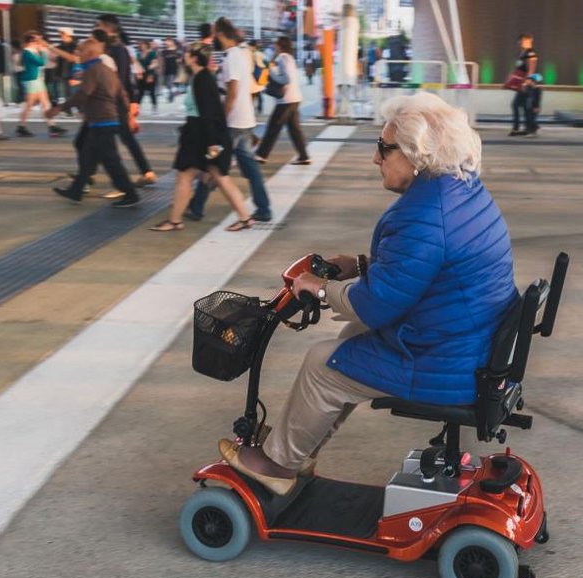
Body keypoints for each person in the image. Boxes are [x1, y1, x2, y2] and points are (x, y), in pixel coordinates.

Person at [217, 92, 518, 496]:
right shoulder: (460, 190)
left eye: (383, 148)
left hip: (445, 362)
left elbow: (376, 306)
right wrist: (360, 266)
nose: (376, 158)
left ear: (416, 153)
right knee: (349, 341)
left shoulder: (424, 217)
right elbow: (422, 274)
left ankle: (278, 465)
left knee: (322, 364)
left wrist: (320, 288)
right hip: (466, 344)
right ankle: (296, 448)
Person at [149, 43, 253, 232]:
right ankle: (244, 219)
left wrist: (213, 143)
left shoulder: (202, 79)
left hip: (201, 136)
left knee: (186, 176)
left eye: (188, 53)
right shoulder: (201, 77)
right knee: (218, 178)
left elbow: (208, 113)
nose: (184, 55)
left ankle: (174, 221)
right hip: (204, 134)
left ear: (194, 58)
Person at [185, 17, 273, 223]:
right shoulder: (240, 54)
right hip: (244, 120)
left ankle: (197, 207)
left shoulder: (233, 56)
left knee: (214, 164)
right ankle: (263, 208)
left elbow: (232, 91)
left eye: (215, 35)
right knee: (247, 167)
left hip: (233, 122)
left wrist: (221, 121)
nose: (213, 38)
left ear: (222, 35)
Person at [49, 39, 140, 208]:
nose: (78, 54)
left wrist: (59, 108)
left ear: (89, 53)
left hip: (102, 121)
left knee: (111, 161)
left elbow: (83, 94)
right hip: (105, 120)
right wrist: (127, 114)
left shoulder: (93, 71)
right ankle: (76, 192)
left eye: (81, 51)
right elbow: (122, 94)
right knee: (88, 157)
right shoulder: (107, 70)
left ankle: (131, 194)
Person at [95, 14, 157, 187]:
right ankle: (85, 178)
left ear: (107, 27)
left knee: (114, 140)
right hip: (113, 101)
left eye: (98, 25)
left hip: (114, 101)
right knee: (101, 140)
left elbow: (121, 79)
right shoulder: (112, 48)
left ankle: (125, 183)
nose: (96, 28)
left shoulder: (117, 49)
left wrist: (125, 102)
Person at [254, 36, 310, 165]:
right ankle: (304, 156)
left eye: (276, 44)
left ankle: (261, 154)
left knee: (273, 128)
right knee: (294, 130)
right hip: (295, 98)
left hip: (286, 100)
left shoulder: (282, 58)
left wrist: (270, 73)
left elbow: (286, 79)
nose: (274, 47)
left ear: (280, 46)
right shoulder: (289, 58)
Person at [15, 31, 67, 138]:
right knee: (30, 104)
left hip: (38, 79)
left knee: (45, 103)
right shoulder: (27, 52)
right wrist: (43, 51)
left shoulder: (33, 51)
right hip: (32, 80)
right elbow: (41, 62)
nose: (40, 42)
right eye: (37, 40)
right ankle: (21, 127)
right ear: (31, 41)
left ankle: (52, 126)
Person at [509, 33, 538, 137]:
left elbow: (532, 68)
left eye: (523, 41)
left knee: (520, 106)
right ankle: (526, 128)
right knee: (522, 106)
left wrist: (527, 82)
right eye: (520, 41)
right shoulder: (523, 53)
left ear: (529, 41)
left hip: (527, 84)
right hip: (522, 83)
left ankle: (528, 129)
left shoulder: (531, 53)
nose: (520, 43)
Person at [54, 28, 77, 104]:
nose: (60, 36)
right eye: (60, 34)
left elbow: (74, 59)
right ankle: (68, 110)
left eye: (62, 34)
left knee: (73, 91)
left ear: (68, 35)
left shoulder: (75, 46)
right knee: (66, 92)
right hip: (64, 72)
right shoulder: (60, 46)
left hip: (73, 72)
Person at [135, 40, 159, 112]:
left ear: (147, 45)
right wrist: (138, 73)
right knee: (140, 91)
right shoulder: (138, 54)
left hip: (150, 74)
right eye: (141, 45)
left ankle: (154, 105)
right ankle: (137, 107)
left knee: (151, 91)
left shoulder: (152, 53)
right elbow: (137, 64)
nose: (142, 46)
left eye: (144, 45)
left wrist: (151, 71)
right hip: (141, 74)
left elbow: (155, 63)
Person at [161, 37, 180, 102]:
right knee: (167, 84)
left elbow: (179, 60)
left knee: (170, 83)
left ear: (172, 42)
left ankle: (171, 97)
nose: (166, 42)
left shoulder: (176, 50)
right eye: (166, 41)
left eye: (168, 41)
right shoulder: (164, 51)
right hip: (166, 69)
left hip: (173, 70)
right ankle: (171, 95)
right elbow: (162, 61)